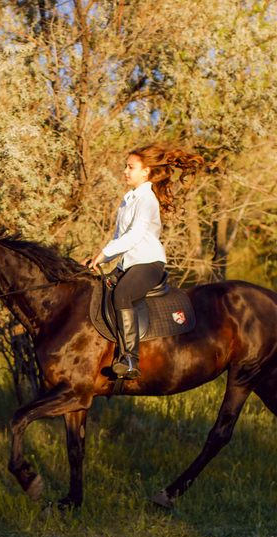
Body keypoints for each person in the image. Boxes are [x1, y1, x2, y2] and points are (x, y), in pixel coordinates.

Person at [86, 144, 204, 379]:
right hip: (128, 264)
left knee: (122, 294)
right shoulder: (128, 199)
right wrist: (99, 258)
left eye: (130, 167)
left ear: (146, 171)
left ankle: (130, 359)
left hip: (148, 263)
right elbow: (119, 237)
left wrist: (104, 252)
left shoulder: (147, 199)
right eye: (126, 167)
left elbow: (135, 235)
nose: (125, 171)